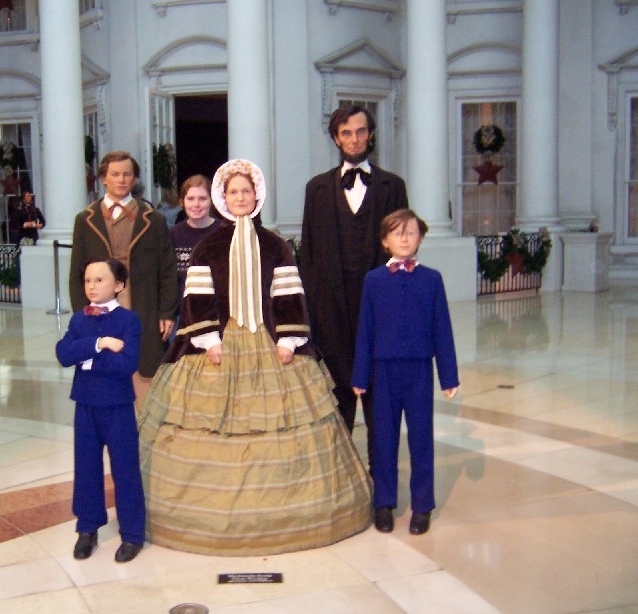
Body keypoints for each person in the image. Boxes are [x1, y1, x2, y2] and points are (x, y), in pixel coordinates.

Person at [138, 159, 372, 556]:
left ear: (257, 195)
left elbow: (289, 293)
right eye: (233, 192)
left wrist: (289, 339)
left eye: (246, 191)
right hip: (220, 341)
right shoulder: (208, 245)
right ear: (223, 198)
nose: (240, 197)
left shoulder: (276, 244)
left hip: (269, 339)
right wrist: (208, 339)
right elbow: (197, 296)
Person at [300, 104, 409, 473]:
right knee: (338, 394)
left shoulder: (394, 187)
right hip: (331, 310)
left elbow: (403, 251)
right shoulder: (316, 189)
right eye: (346, 133)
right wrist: (311, 313)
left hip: (380, 309)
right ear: (336, 138)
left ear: (371, 135)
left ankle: (382, 481)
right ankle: (342, 479)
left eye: (361, 131)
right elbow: (308, 254)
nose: (354, 139)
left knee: (380, 396)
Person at [351, 209, 459, 536]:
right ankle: (384, 503)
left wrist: (448, 376)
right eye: (397, 233)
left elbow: (442, 328)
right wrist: (360, 375)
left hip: (419, 371)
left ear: (420, 238)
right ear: (385, 241)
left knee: (421, 438)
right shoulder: (374, 280)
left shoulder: (431, 279)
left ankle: (422, 505)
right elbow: (366, 329)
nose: (404, 238)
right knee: (383, 438)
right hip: (383, 372)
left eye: (411, 232)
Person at [69, 151, 178, 402]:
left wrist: (166, 312)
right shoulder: (85, 220)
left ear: (134, 178)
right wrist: (82, 316)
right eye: (115, 174)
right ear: (103, 178)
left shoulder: (154, 220)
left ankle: (145, 426)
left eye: (127, 174)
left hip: (144, 309)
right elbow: (77, 274)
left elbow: (167, 270)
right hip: (101, 311)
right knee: (105, 377)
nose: (121, 179)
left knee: (146, 382)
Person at [56, 259, 146, 563]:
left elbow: (126, 365)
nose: (91, 286)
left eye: (99, 280)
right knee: (86, 468)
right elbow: (62, 354)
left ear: (118, 285)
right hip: (85, 404)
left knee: (125, 469)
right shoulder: (79, 320)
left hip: (117, 406)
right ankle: (87, 528)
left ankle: (132, 533)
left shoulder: (129, 320)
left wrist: (85, 358)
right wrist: (100, 343)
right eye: (87, 281)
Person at [168, 175, 222, 297]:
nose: (196, 204)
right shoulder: (173, 234)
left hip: (218, 304)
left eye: (202, 199)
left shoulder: (223, 232)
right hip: (183, 305)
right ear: (181, 202)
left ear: (212, 201)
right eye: (190, 199)